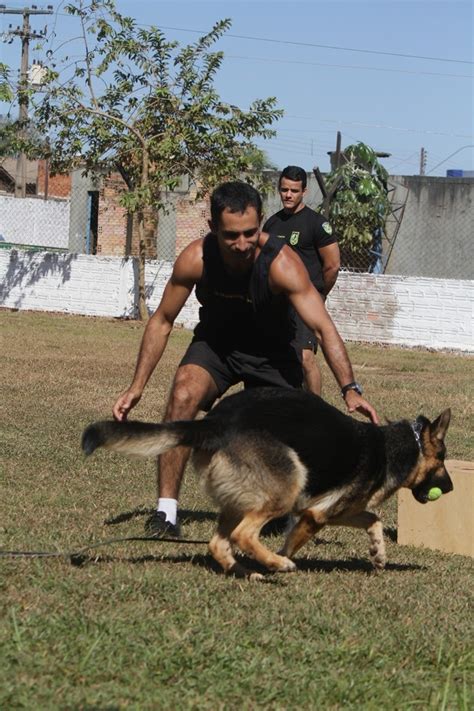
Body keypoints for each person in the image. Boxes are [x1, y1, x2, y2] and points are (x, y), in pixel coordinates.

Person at [112, 181, 379, 537]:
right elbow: (162, 320)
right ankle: (166, 514)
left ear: (261, 223)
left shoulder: (283, 264)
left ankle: (278, 510)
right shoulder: (196, 258)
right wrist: (137, 386)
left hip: (272, 353)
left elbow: (322, 328)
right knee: (182, 395)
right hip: (217, 346)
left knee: (287, 430)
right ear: (213, 228)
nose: (242, 244)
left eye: (250, 233)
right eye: (231, 235)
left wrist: (350, 387)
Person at [263, 165, 340, 395]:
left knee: (306, 358)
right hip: (278, 302)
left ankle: (315, 412)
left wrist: (318, 294)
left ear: (304, 192)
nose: (288, 195)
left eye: (294, 191)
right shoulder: (272, 224)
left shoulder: (317, 224)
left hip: (305, 301)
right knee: (277, 356)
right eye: (284, 189)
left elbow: (332, 265)